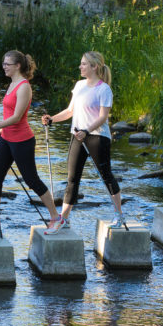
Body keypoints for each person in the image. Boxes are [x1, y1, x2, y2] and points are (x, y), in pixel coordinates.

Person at [0, 50, 62, 235]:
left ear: (18, 66)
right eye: (3, 63)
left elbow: (17, 117)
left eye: (7, 64)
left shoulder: (24, 86)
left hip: (22, 141)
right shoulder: (12, 84)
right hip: (6, 139)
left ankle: (56, 218)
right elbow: (9, 115)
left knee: (31, 180)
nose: (4, 67)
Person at [42, 51, 126, 229]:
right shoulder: (79, 85)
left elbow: (103, 117)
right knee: (72, 179)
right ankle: (64, 219)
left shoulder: (104, 89)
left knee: (107, 177)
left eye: (84, 64)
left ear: (94, 67)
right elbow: (70, 111)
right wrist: (52, 119)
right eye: (81, 64)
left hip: (97, 138)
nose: (80, 67)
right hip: (77, 136)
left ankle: (119, 215)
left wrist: (87, 131)